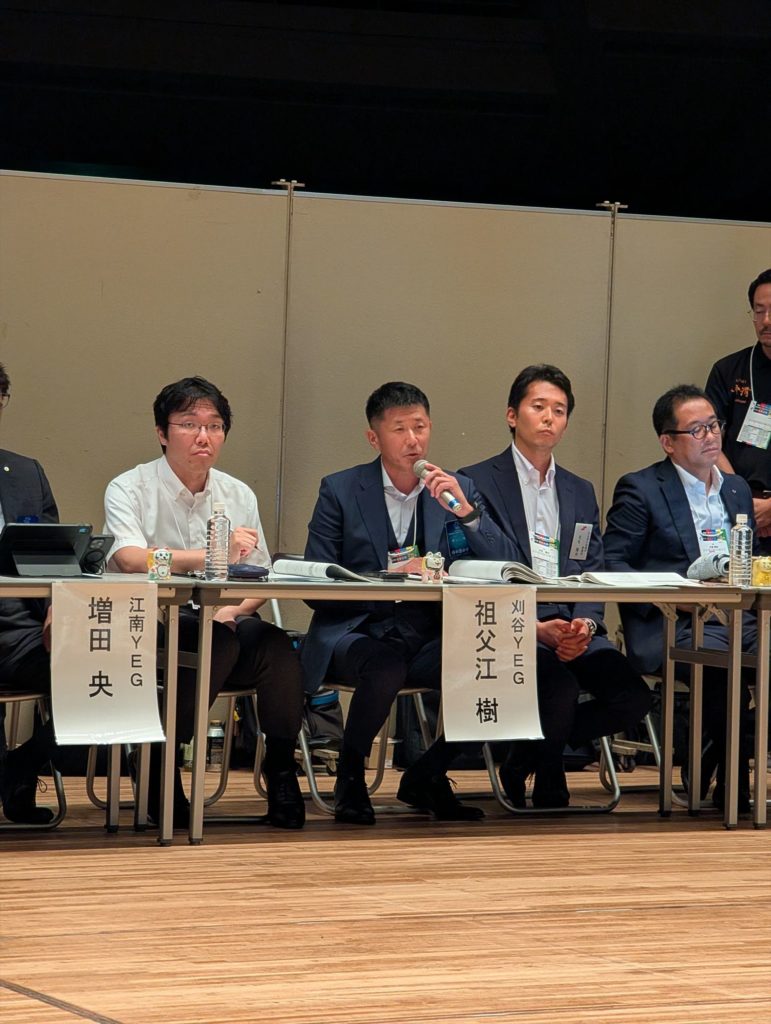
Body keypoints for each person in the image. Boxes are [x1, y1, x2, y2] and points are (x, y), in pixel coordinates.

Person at [104, 376, 305, 829]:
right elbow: (129, 558)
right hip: (152, 625)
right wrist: (213, 555)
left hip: (223, 617)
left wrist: (235, 609)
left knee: (277, 648)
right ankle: (157, 759)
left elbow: (261, 575)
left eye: (214, 426)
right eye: (190, 425)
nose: (203, 437)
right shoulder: (129, 487)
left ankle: (280, 768)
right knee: (215, 642)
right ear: (162, 432)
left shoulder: (237, 493)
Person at [302, 380, 504, 825]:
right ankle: (350, 776)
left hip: (427, 632)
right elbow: (316, 582)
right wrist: (389, 575)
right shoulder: (340, 489)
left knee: (497, 663)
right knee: (385, 665)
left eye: (421, 427)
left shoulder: (455, 489)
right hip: (355, 631)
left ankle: (427, 774)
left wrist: (467, 514)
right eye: (400, 429)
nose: (414, 440)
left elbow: (504, 564)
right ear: (374, 438)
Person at [460, 364, 651, 808]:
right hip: (513, 625)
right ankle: (548, 771)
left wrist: (585, 623)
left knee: (633, 697)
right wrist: (532, 627)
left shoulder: (579, 490)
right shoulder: (476, 481)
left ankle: (525, 756)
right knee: (559, 686)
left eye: (560, 410)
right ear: (512, 415)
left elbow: (591, 565)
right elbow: (472, 567)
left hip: (571, 626)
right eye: (538, 407)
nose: (549, 417)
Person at [603, 384, 757, 810]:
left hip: (739, 618)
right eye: (696, 430)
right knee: (722, 662)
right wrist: (675, 595)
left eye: (714, 425)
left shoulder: (736, 489)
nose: (710, 436)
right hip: (674, 621)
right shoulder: (641, 489)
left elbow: (751, 560)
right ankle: (734, 785)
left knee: (747, 654)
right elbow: (612, 563)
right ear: (668, 442)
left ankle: (709, 755)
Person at [0, 362, 59, 823]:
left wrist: (59, 610)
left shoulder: (24, 472)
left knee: (105, 681)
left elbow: (60, 557)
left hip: (21, 628)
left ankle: (19, 766)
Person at [706, 268, 771, 553]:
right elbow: (708, 443)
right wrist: (740, 498)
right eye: (759, 311)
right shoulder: (728, 371)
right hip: (738, 513)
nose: (766, 321)